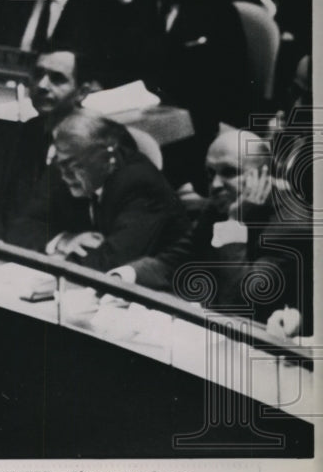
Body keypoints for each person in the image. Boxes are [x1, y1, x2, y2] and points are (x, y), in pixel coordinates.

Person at [110, 129, 312, 337]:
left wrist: (235, 224)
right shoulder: (217, 208)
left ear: (264, 175)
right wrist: (123, 275)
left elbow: (238, 304)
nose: (215, 185)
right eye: (210, 173)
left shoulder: (291, 226)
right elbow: (173, 262)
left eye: (230, 172)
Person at [126, 0, 251, 190]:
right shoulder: (139, 8)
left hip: (195, 129)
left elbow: (233, 90)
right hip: (141, 120)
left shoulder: (218, 14)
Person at [5, 110, 190, 272]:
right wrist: (64, 240)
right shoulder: (66, 167)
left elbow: (110, 261)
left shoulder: (141, 184)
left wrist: (57, 260)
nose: (64, 175)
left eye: (74, 165)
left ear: (106, 156)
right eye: (61, 164)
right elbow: (18, 228)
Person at [0, 48, 102, 239]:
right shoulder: (28, 130)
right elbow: (8, 211)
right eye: (38, 74)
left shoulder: (96, 142)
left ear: (82, 92)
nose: (41, 85)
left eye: (57, 79)